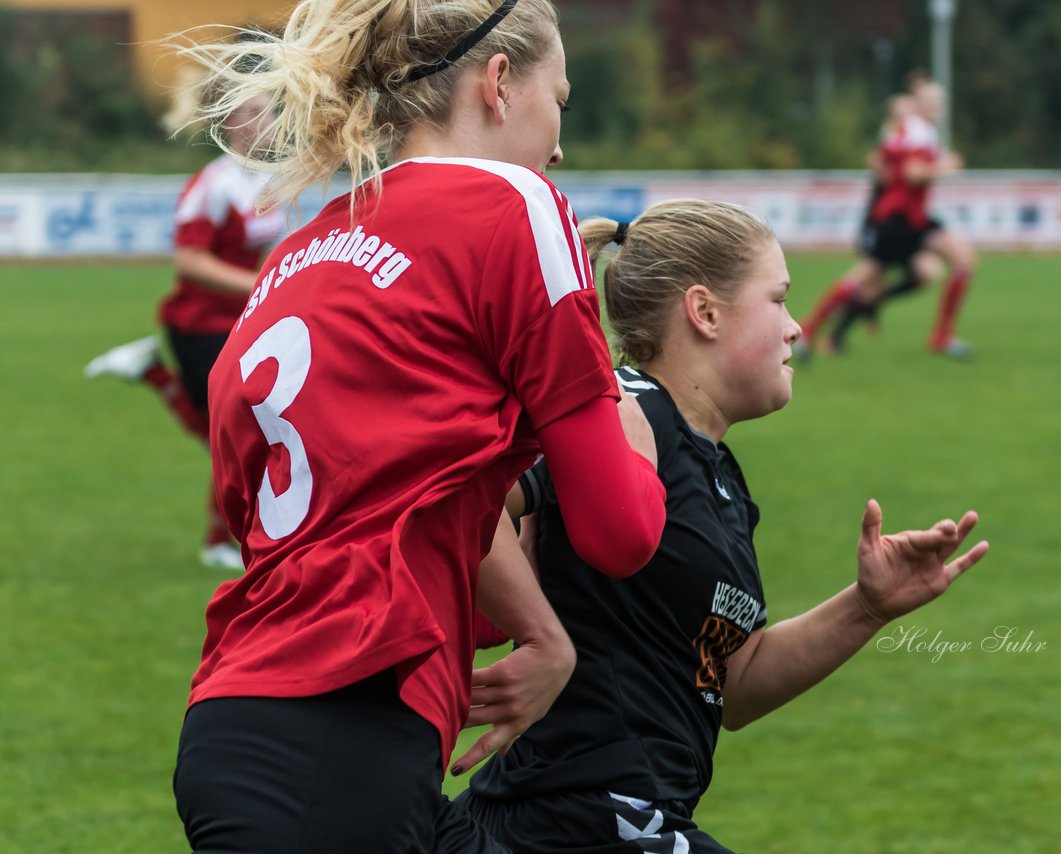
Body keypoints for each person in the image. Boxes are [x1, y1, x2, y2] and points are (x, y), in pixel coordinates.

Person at [166, 2, 668, 851]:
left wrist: (543, 632)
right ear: (500, 83)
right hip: (345, 743)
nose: (559, 146)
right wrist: (629, 394)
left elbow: (390, 495)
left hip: (241, 716)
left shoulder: (301, 252)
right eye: (563, 103)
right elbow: (621, 533)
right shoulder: (518, 201)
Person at [458, 199, 989, 852]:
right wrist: (542, 639)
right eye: (778, 300)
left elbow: (732, 682)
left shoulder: (719, 474)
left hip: (612, 817)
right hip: (574, 819)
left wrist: (867, 607)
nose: (796, 328)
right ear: (705, 312)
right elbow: (459, 498)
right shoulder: (622, 413)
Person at [84, 83, 285, 570]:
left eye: (270, 111)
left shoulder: (272, 177)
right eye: (254, 111)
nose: (266, 121)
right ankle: (222, 540)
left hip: (240, 321)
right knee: (233, 435)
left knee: (243, 433)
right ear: (231, 121)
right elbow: (189, 261)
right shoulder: (213, 184)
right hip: (199, 323)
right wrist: (260, 283)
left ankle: (223, 539)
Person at [799, 77, 976, 359]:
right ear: (919, 105)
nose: (939, 107)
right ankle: (809, 331)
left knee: (956, 261)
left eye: (941, 101)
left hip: (913, 219)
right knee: (866, 279)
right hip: (897, 220)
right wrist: (946, 166)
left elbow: (884, 160)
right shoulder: (918, 133)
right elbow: (912, 173)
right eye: (933, 102)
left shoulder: (912, 131)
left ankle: (941, 336)